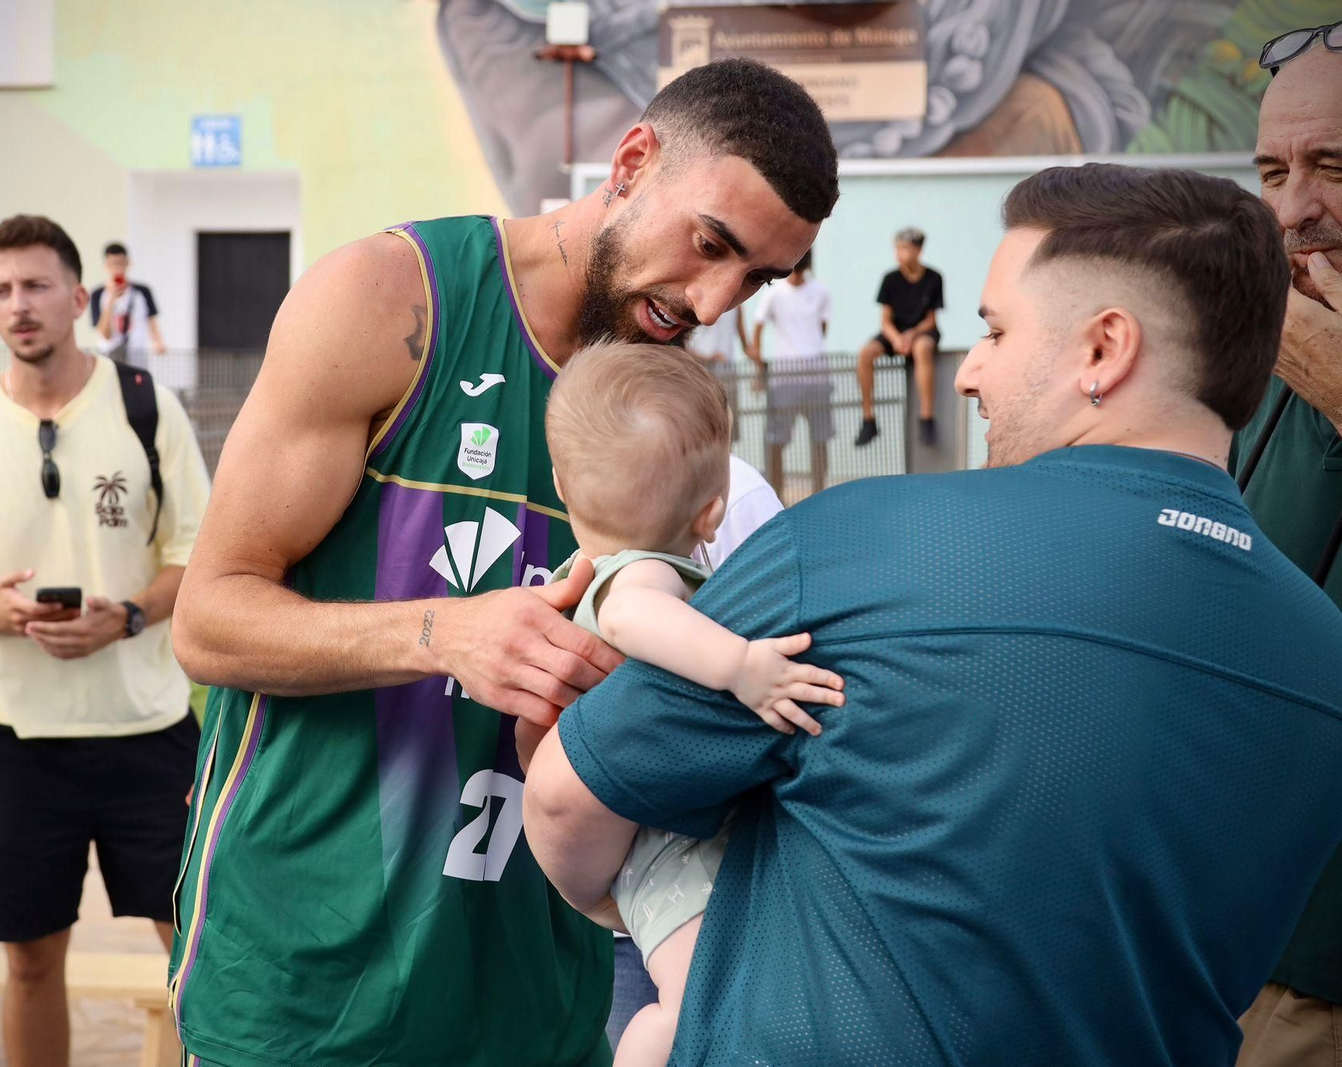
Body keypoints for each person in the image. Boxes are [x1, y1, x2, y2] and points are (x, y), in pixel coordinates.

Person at [523, 163, 1342, 1066]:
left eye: (994, 330)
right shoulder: (1323, 657)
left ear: (1104, 349)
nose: (968, 372)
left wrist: (648, 903)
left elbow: (569, 799)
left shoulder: (862, 544)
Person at [167, 58, 837, 1067]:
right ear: (632, 161)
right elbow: (207, 618)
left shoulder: (672, 414)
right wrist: (444, 631)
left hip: (534, 991)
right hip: (309, 982)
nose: (713, 301)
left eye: (755, 279)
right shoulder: (394, 297)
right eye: (710, 245)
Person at [0, 215, 211, 1067]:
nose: (18, 305)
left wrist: (131, 614)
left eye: (35, 286)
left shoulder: (146, 407)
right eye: (0, 289)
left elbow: (201, 557)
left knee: (198, 956)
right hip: (14, 741)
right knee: (31, 961)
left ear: (79, 297)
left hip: (146, 731)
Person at [535, 340, 844, 1065]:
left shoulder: (608, 567)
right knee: (687, 996)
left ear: (558, 481)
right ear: (713, 514)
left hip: (661, 824)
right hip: (660, 846)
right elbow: (632, 619)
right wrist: (741, 667)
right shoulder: (642, 576)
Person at [1235, 29, 1342, 1067]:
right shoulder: (1262, 348)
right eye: (1273, 170)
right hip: (1222, 936)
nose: (1293, 207)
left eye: (1332, 167)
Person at [748, 249, 833, 497]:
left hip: (817, 376)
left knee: (820, 438)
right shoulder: (774, 294)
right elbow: (758, 327)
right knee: (777, 440)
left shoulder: (821, 292)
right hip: (784, 378)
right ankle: (777, 494)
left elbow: (822, 328)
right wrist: (759, 366)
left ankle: (820, 493)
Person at [854, 227, 943, 447]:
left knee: (922, 348)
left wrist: (912, 335)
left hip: (921, 332)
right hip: (895, 332)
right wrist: (896, 339)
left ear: (918, 250)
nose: (899, 254)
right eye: (897, 248)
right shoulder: (890, 279)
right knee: (865, 354)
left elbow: (931, 320)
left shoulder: (934, 278)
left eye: (904, 248)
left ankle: (927, 418)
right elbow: (885, 321)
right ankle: (868, 419)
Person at [91, 242, 166, 361]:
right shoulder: (98, 294)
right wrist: (111, 300)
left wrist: (158, 341)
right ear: (106, 265)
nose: (117, 269)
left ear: (128, 263)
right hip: (109, 356)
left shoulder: (142, 292)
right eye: (113, 264)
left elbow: (152, 320)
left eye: (121, 263)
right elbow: (105, 334)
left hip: (137, 356)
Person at [683, 303, 746, 443]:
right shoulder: (698, 302)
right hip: (700, 375)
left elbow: (745, 342)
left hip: (728, 375)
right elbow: (683, 346)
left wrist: (760, 371)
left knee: (728, 433)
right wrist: (708, 358)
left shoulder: (738, 306)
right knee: (702, 431)